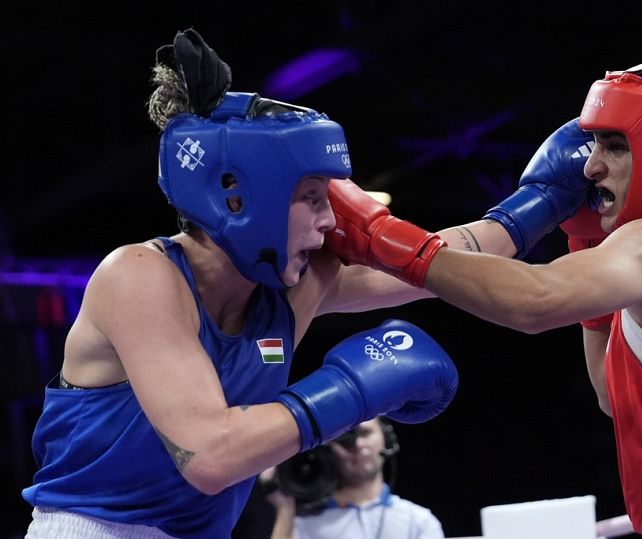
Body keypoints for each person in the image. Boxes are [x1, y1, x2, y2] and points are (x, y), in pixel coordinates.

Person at [323, 60, 642, 537]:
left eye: (614, 146)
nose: (592, 167)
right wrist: (587, 246)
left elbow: (533, 302)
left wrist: (383, 236)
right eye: (595, 144)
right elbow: (616, 398)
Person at [20, 28, 469, 539]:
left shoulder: (291, 289)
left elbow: (444, 265)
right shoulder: (139, 276)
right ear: (237, 197)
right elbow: (210, 456)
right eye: (313, 197)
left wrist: (537, 205)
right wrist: (354, 389)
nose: (330, 220)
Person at [262, 417, 444, 539]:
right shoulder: (303, 523)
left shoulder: (417, 520)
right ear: (329, 448)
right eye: (345, 439)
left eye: (365, 433)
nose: (358, 444)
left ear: (386, 439)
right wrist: (284, 507)